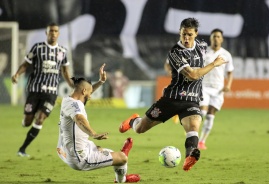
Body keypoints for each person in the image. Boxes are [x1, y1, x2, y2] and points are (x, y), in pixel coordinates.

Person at [119, 17, 227, 172]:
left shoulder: (203, 47)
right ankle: (132, 121)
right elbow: (193, 75)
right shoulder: (175, 52)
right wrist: (213, 64)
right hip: (171, 99)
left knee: (194, 126)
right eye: (183, 34)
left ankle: (190, 156)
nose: (186, 38)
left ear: (196, 34)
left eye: (190, 34)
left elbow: (211, 54)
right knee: (140, 129)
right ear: (179, 33)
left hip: (192, 100)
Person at [57, 65, 140, 183]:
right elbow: (79, 119)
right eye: (89, 93)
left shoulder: (68, 99)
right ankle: (121, 180)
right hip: (80, 158)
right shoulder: (75, 105)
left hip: (69, 148)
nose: (90, 97)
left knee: (106, 151)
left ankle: (116, 163)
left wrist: (101, 81)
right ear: (84, 91)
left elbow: (86, 92)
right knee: (122, 159)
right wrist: (93, 133)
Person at [11, 23, 74, 157]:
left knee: (40, 119)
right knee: (28, 122)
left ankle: (22, 149)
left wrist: (72, 85)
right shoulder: (38, 48)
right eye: (51, 31)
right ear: (46, 33)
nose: (53, 33)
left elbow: (65, 71)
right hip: (35, 90)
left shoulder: (62, 51)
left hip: (51, 93)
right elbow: (25, 64)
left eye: (56, 31)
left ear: (58, 34)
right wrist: (17, 74)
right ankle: (27, 118)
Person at [198, 29, 234, 150]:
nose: (216, 39)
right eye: (214, 36)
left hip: (218, 89)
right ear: (210, 38)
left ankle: (202, 141)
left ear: (222, 39)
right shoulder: (204, 52)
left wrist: (228, 85)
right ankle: (192, 134)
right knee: (202, 112)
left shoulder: (226, 54)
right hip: (204, 86)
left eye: (218, 37)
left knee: (210, 116)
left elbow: (230, 72)